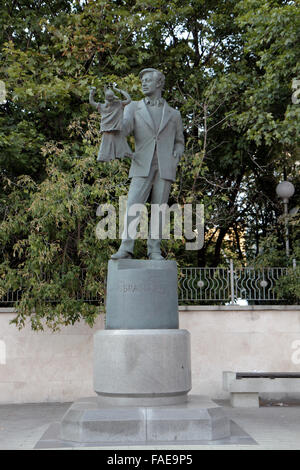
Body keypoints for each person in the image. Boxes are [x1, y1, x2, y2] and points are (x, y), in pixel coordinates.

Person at [110, 68, 185, 260]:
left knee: (159, 209)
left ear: (159, 83)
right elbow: (124, 130)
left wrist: (177, 153)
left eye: (148, 80)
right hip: (141, 162)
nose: (143, 83)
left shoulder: (174, 114)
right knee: (133, 205)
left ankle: (154, 250)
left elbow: (179, 141)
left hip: (165, 165)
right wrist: (115, 114)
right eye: (142, 80)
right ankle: (126, 248)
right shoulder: (133, 107)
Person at [89, 84, 132, 161]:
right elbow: (129, 99)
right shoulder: (118, 104)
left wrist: (91, 94)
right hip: (115, 129)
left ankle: (109, 156)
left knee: (107, 146)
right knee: (118, 145)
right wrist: (117, 89)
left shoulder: (102, 106)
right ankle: (119, 155)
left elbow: (91, 102)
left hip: (109, 129)